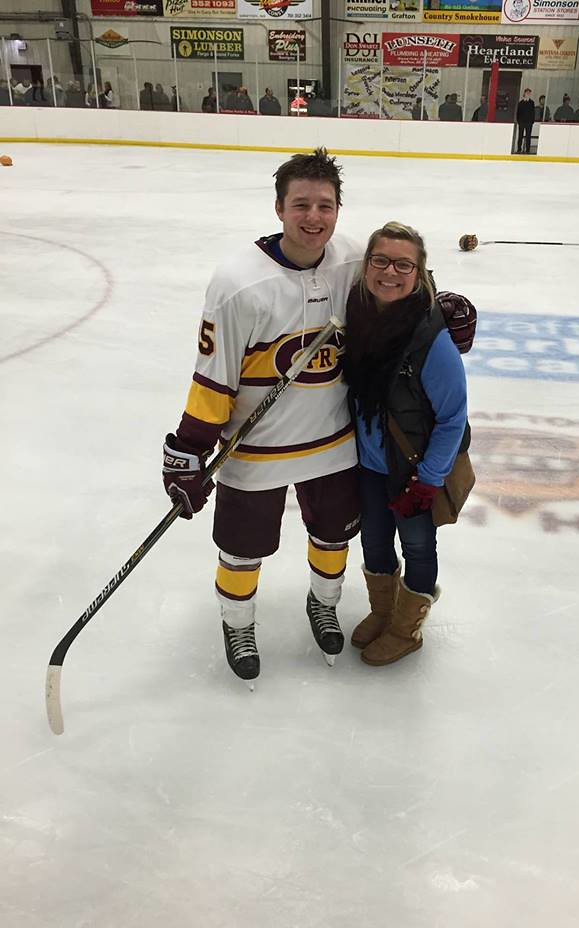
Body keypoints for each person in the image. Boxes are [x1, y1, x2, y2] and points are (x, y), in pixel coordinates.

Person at [162, 148, 364, 688]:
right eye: (301, 204)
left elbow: (405, 292)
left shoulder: (354, 260)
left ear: (339, 210)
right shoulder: (237, 283)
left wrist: (443, 311)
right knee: (242, 547)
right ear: (278, 208)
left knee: (333, 537)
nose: (313, 217)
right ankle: (238, 624)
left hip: (334, 442)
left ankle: (324, 605)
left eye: (325, 205)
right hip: (255, 449)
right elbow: (214, 377)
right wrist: (189, 448)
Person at [342, 222, 471, 666]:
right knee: (374, 544)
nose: (390, 272)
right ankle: (383, 611)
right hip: (370, 465)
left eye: (403, 264)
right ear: (366, 265)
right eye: (380, 260)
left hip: (413, 470)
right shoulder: (356, 315)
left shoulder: (431, 339)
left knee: (417, 546)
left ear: (419, 273)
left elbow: (454, 418)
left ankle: (406, 628)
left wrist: (427, 481)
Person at [516, 87, 535, 153]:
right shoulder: (520, 103)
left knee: (528, 136)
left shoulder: (532, 103)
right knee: (520, 136)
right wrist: (519, 121)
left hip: (529, 122)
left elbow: (533, 112)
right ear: (524, 93)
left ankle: (527, 150)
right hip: (521, 122)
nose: (528, 94)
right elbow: (518, 113)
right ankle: (519, 149)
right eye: (527, 93)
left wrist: (532, 121)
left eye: (529, 93)